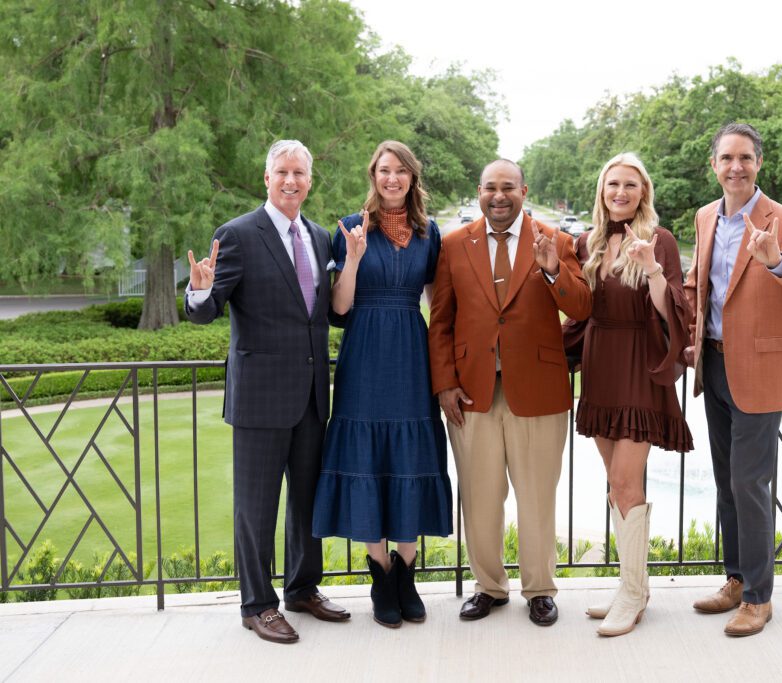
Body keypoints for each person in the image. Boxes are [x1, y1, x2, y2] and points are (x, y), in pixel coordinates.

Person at [185, 140, 349, 644]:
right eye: (282, 172)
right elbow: (206, 311)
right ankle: (257, 605)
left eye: (300, 172)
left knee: (305, 501)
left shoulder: (321, 238)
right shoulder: (237, 235)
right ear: (266, 178)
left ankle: (302, 589)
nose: (291, 181)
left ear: (309, 180)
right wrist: (200, 289)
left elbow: (325, 313)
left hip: (310, 396)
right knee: (256, 508)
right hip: (259, 398)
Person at [683, 123, 782, 637]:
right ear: (714, 165)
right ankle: (735, 578)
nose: (736, 167)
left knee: (750, 483)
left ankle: (759, 597)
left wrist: (777, 263)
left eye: (745, 158)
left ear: (758, 164)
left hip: (762, 370)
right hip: (715, 365)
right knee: (728, 481)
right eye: (727, 158)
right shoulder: (706, 217)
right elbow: (700, 286)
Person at [428, 159, 592, 626]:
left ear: (524, 189)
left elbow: (582, 305)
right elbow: (440, 320)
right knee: (480, 495)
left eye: (508, 188)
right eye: (490, 189)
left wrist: (552, 270)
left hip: (538, 391)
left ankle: (539, 589)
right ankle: (489, 587)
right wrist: (444, 383)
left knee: (537, 494)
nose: (499, 197)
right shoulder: (455, 244)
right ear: (479, 191)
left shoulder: (556, 241)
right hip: (471, 392)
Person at [312, 140, 452, 628]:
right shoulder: (350, 228)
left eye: (401, 172)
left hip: (411, 354)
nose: (392, 179)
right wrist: (351, 259)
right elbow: (339, 309)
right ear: (373, 175)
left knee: (410, 456)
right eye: (383, 171)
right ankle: (380, 573)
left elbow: (439, 304)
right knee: (367, 456)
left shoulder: (428, 233)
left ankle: (408, 575)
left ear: (412, 178)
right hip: (364, 351)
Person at [562, 153, 692, 637]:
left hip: (638, 365)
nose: (620, 192)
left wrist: (653, 270)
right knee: (618, 484)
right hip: (599, 368)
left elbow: (671, 309)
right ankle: (632, 587)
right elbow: (577, 309)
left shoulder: (659, 240)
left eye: (630, 185)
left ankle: (633, 594)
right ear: (602, 190)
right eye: (612, 184)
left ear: (643, 192)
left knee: (624, 480)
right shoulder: (587, 242)